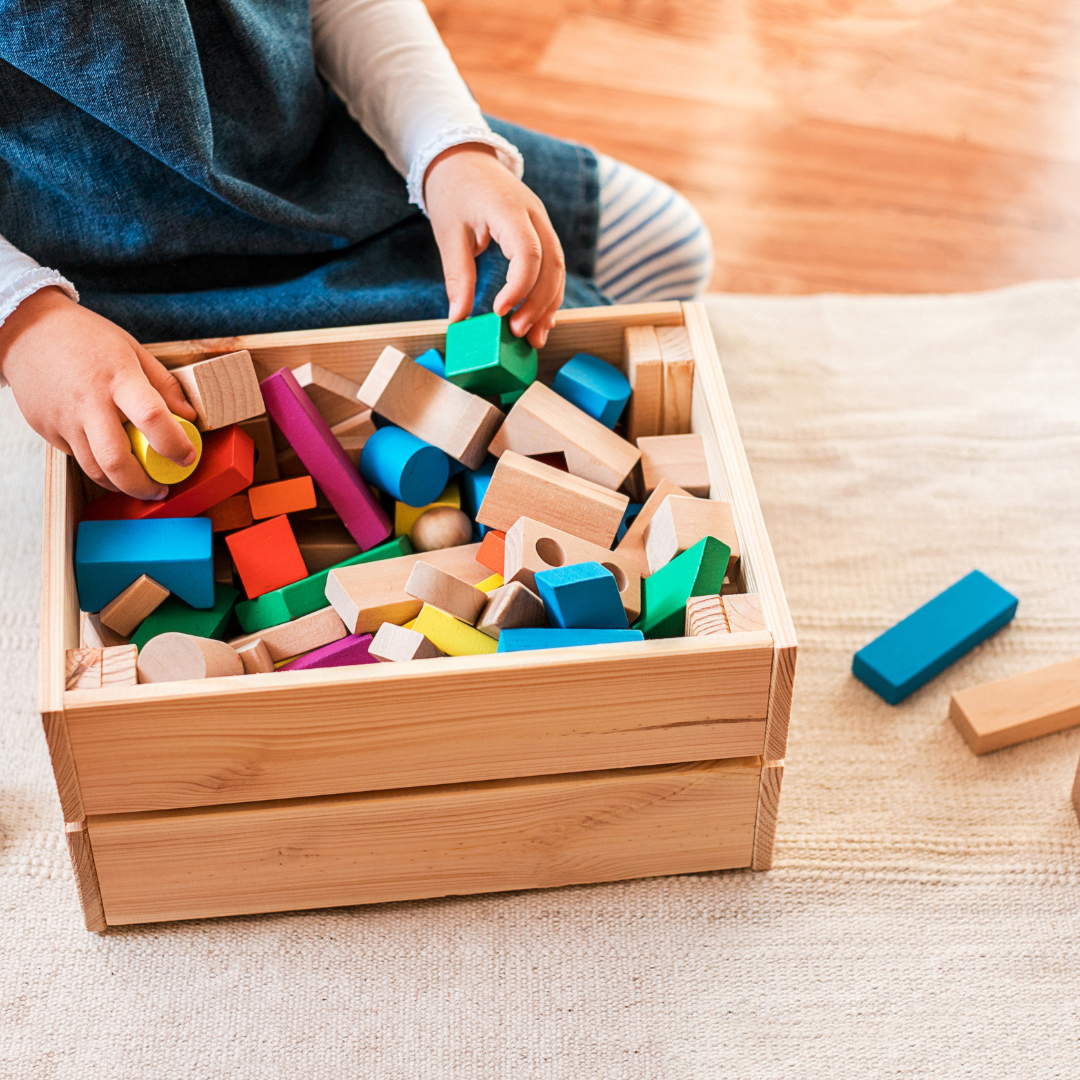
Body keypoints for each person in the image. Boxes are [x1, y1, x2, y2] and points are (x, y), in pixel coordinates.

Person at [0, 0, 712, 501]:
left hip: (328, 161)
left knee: (671, 248)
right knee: (535, 374)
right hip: (144, 276)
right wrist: (23, 320)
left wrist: (452, 152)